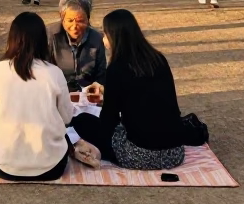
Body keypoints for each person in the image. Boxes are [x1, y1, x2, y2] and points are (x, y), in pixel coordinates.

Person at [73, 10, 192, 169]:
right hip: (175, 152)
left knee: (81, 121)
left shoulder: (117, 68)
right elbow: (147, 96)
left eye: (105, 33)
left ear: (114, 36)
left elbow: (109, 120)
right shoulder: (158, 58)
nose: (103, 38)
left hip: (140, 154)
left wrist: (108, 100)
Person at [0, 12, 74, 181]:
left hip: (5, 168)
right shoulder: (54, 73)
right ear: (43, 41)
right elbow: (67, 117)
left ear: (12, 39)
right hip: (52, 167)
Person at [49, 0, 107, 90]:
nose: (75, 26)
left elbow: (101, 75)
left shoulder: (97, 39)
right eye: (70, 21)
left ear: (88, 19)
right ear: (62, 19)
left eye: (81, 21)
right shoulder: (51, 36)